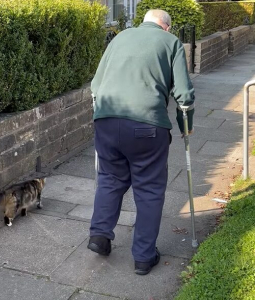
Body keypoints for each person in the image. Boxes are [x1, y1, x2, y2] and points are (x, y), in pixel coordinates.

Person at [87, 9, 195, 275]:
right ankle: (144, 257)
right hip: (147, 126)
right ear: (167, 27)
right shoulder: (171, 43)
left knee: (110, 179)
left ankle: (99, 236)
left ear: (143, 22)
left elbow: (95, 87)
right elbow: (184, 95)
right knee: (149, 189)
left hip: (107, 122)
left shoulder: (120, 36)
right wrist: (186, 128)